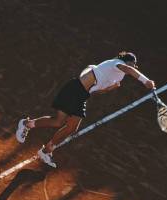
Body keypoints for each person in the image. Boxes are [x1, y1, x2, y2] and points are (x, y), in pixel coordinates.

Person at [15, 51, 155, 168]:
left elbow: (95, 91)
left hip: (83, 96)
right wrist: (145, 81)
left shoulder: (117, 77)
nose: (132, 68)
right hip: (74, 90)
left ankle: (46, 150)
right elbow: (128, 70)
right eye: (131, 64)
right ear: (125, 62)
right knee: (58, 122)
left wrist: (108, 89)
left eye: (133, 65)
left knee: (72, 128)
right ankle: (26, 124)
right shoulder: (115, 64)